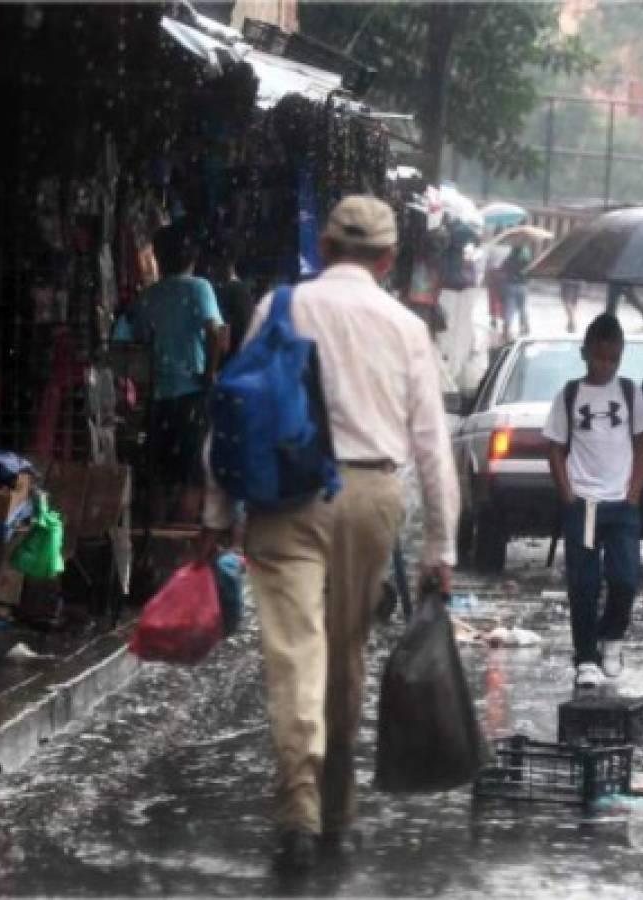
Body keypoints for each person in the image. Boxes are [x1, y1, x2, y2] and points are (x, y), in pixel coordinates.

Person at [198, 196, 460, 872]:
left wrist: (215, 513)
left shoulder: (280, 306)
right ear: (388, 258)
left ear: (325, 248)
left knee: (294, 654)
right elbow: (432, 446)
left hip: (285, 496)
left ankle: (298, 812)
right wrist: (440, 548)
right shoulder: (404, 326)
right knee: (345, 656)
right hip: (370, 496)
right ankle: (335, 807)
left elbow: (236, 411)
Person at [544, 314, 643, 689]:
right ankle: (586, 655)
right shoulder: (570, 395)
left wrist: (634, 492)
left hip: (621, 503)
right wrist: (568, 495)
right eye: (599, 358)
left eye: (613, 359)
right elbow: (555, 449)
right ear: (585, 353)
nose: (605, 366)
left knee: (625, 577)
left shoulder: (629, 392)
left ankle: (613, 637)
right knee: (584, 582)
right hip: (584, 503)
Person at [128, 223, 227, 524]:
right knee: (191, 474)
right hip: (191, 395)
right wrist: (210, 372)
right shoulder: (199, 288)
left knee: (160, 473)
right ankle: (180, 543)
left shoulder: (150, 296)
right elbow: (215, 331)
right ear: (192, 257)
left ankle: (156, 538)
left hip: (159, 397)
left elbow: (137, 338)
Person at [208, 238, 254, 365]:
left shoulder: (239, 291)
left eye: (215, 262)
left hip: (232, 364)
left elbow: (244, 331)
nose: (212, 267)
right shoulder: (218, 289)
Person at [500, 241, 533, 340]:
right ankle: (524, 327)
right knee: (523, 307)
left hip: (510, 285)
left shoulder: (508, 259)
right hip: (523, 286)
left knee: (509, 308)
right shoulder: (526, 261)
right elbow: (530, 272)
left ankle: (506, 329)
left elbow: (502, 269)